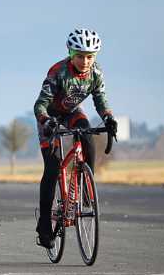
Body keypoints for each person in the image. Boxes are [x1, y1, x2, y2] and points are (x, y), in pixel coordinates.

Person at [34, 28, 117, 248]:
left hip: (71, 112)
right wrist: (45, 121)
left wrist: (109, 118)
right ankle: (44, 226)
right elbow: (40, 105)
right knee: (52, 169)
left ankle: (86, 189)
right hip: (49, 116)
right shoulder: (58, 71)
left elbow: (100, 99)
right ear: (70, 53)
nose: (85, 61)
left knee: (87, 132)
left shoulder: (96, 73)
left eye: (90, 56)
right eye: (80, 55)